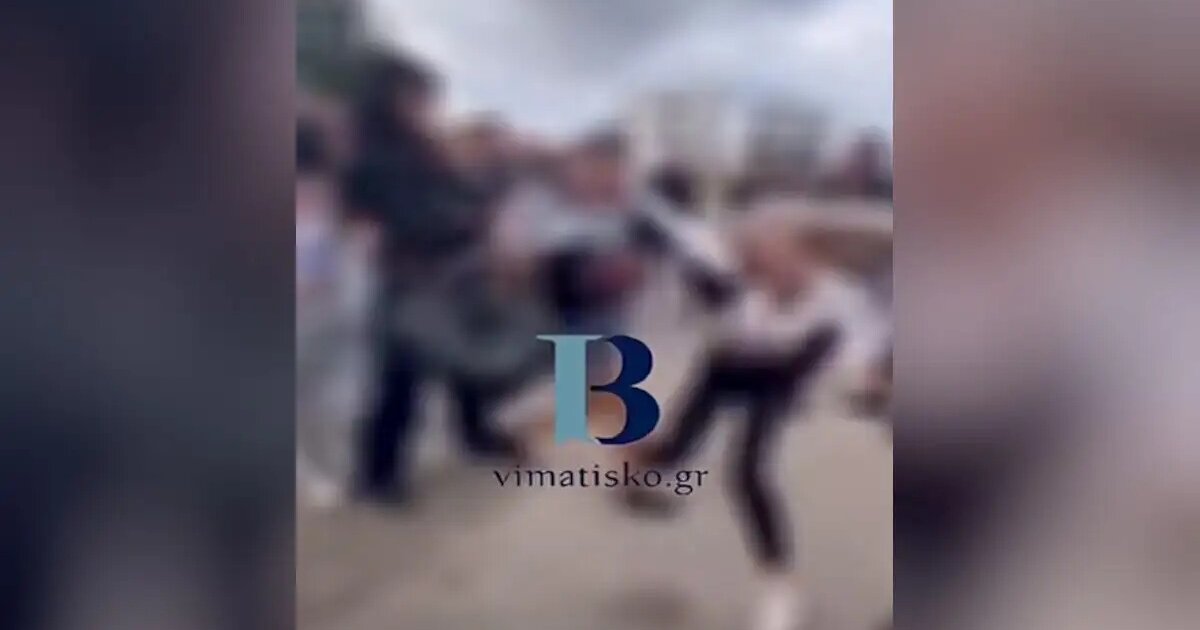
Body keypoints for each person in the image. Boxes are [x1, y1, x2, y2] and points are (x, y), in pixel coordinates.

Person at [621, 210, 881, 630]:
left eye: (777, 264)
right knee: (676, 447)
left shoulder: (839, 300)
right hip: (732, 368)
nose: (769, 278)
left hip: (783, 377)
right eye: (759, 268)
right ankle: (640, 465)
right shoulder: (740, 292)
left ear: (806, 259)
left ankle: (780, 587)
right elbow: (689, 257)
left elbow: (831, 360)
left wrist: (866, 381)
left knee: (746, 474)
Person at [342, 52, 522, 507]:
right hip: (412, 282)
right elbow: (414, 222)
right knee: (401, 385)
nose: (429, 107)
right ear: (390, 99)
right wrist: (471, 219)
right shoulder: (374, 160)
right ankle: (377, 476)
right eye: (419, 98)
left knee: (472, 367)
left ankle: (476, 435)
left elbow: (466, 195)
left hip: (457, 277)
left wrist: (484, 192)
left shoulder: (428, 151)